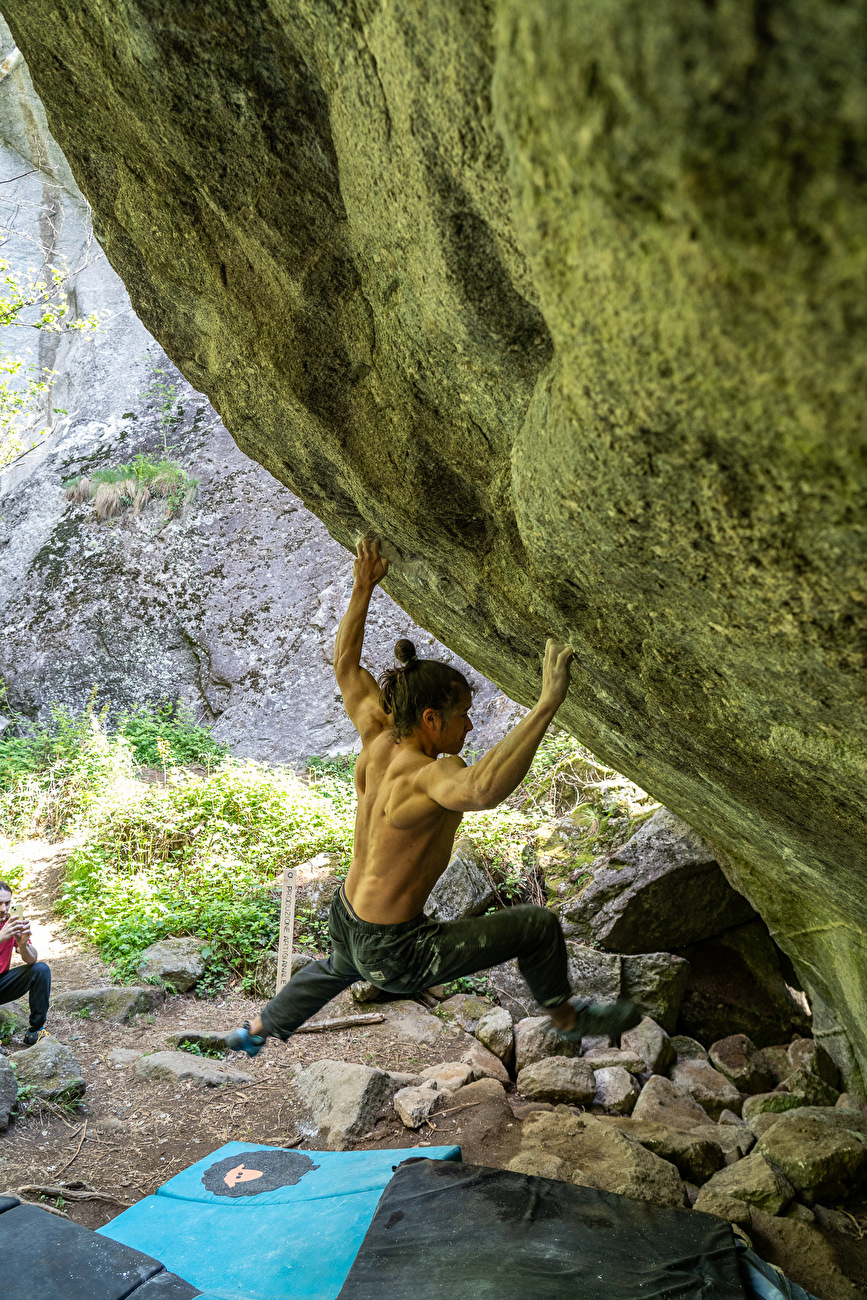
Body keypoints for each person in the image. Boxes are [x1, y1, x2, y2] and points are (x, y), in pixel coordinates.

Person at [227, 538, 638, 1056]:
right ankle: (565, 1015)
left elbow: (346, 666)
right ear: (430, 720)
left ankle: (261, 1031)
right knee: (537, 926)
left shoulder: (377, 736)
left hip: (348, 916)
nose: (468, 725)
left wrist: (363, 584)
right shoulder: (432, 776)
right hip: (396, 950)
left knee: (335, 967)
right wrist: (545, 705)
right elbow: (482, 788)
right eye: (462, 714)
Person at [0, 881, 51, 1047]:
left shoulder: (10, 922)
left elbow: (31, 959)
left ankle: (34, 1030)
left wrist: (22, 944)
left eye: (7, 903)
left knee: (40, 970)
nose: (3, 909)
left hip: (2, 983)